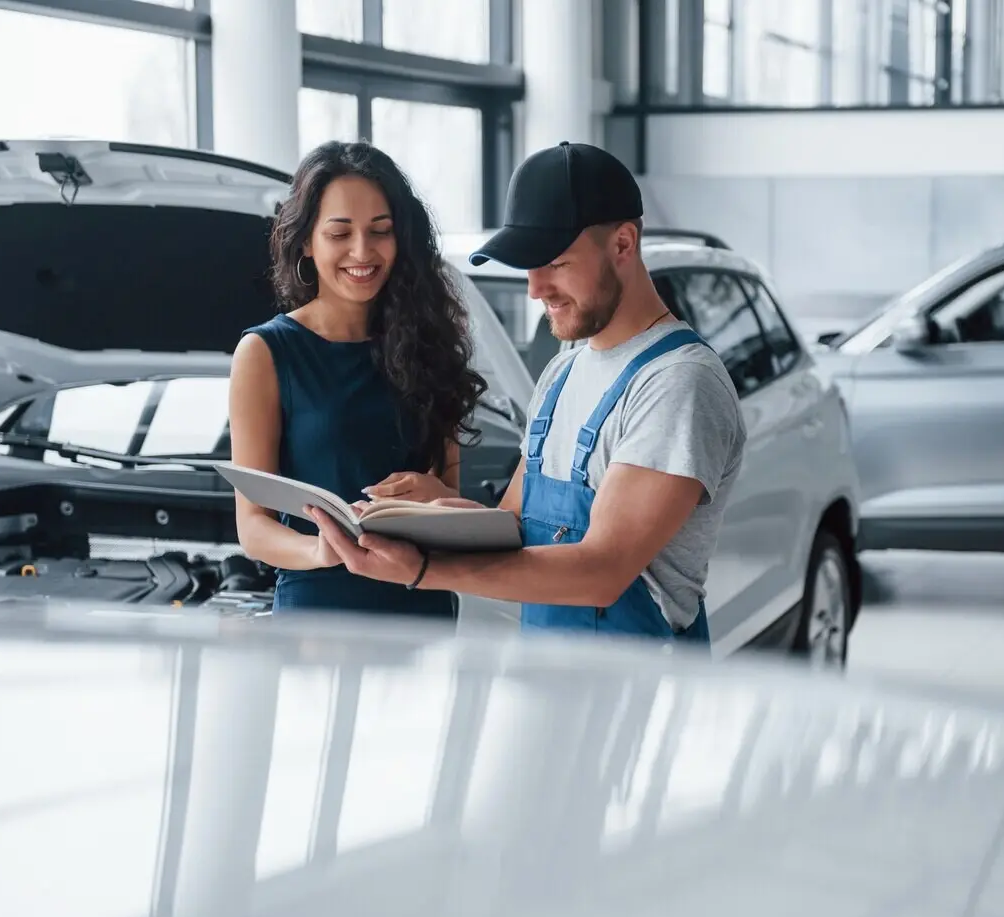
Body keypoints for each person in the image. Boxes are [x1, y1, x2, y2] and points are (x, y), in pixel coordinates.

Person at [308, 140, 747, 646]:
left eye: (555, 263)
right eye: (527, 267)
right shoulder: (564, 372)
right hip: (552, 681)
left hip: (637, 697)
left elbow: (601, 572)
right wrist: (429, 513)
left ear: (623, 244)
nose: (535, 289)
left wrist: (424, 568)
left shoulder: (677, 382)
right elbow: (515, 525)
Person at [229, 140, 486, 616]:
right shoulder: (266, 353)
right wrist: (320, 551)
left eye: (380, 231)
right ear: (306, 240)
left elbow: (452, 497)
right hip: (319, 608)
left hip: (421, 603)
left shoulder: (430, 346)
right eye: (340, 233)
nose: (362, 251)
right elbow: (253, 525)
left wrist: (438, 499)